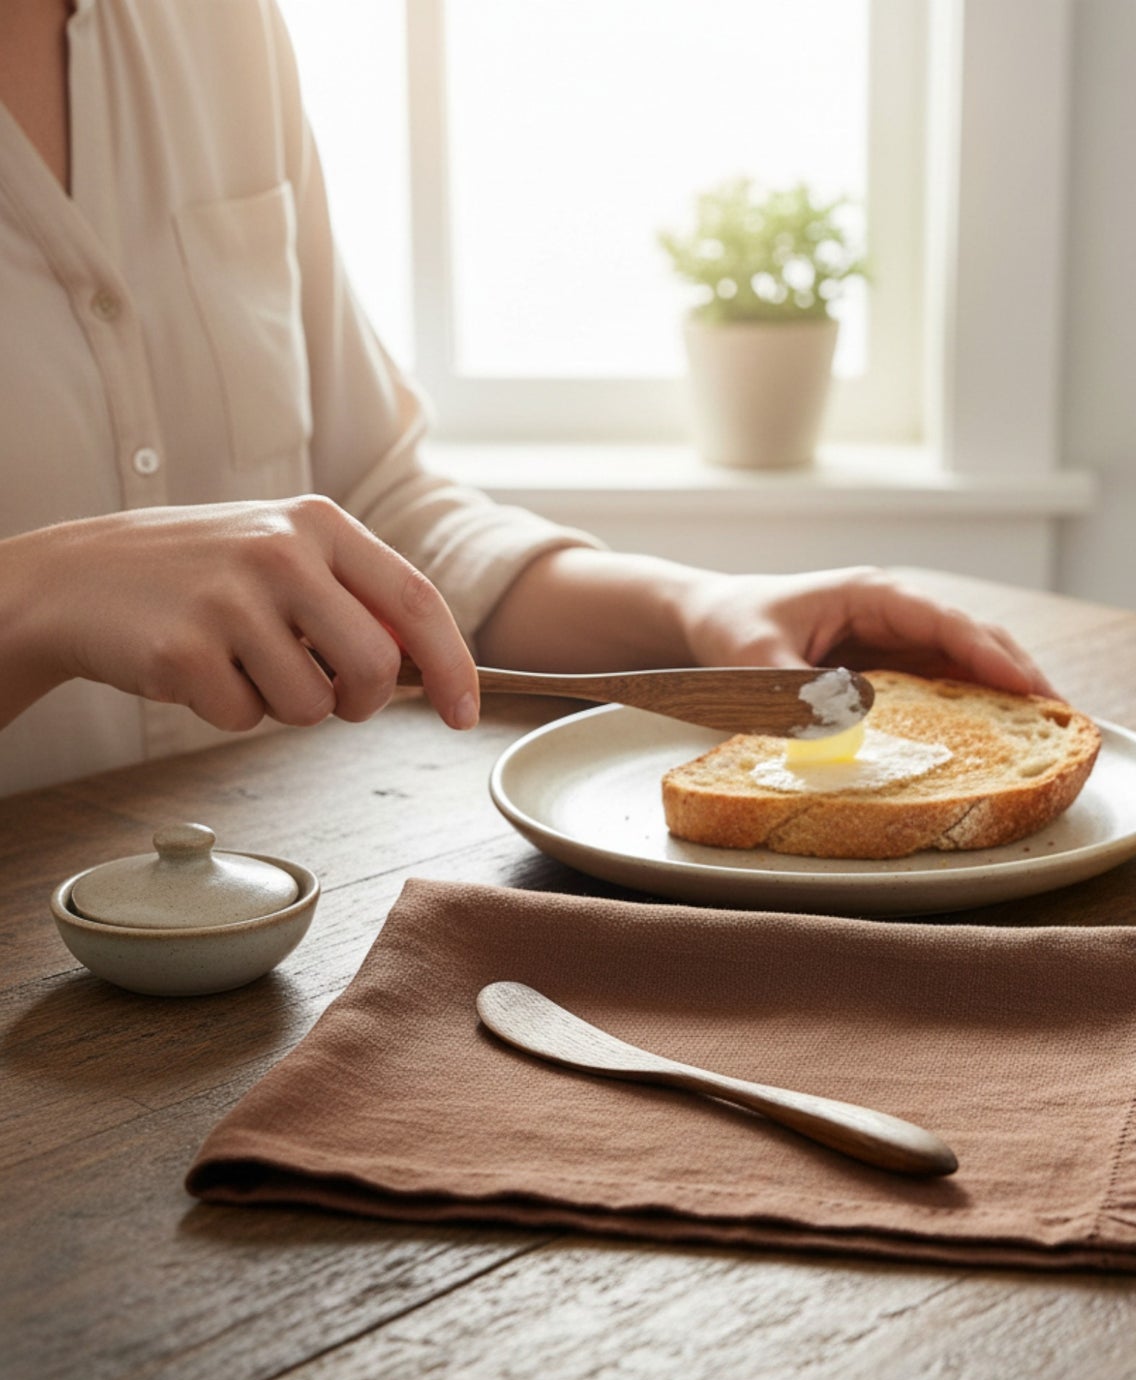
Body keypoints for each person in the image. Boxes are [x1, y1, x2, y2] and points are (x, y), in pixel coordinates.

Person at [0, 0, 1051, 798]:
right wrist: (37, 595)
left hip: (289, 918)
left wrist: (693, 610)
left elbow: (378, 506)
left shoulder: (216, 25)